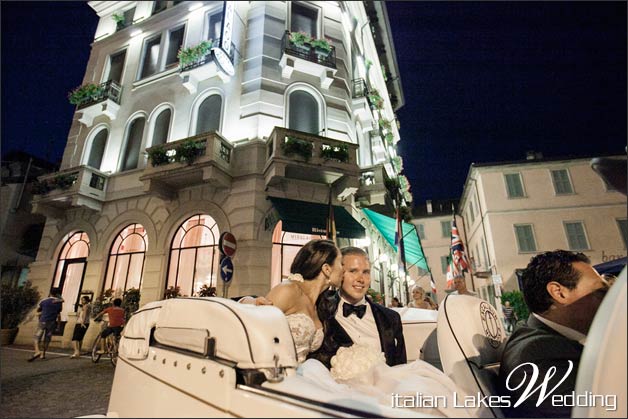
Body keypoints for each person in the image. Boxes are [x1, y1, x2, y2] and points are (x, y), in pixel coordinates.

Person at [299, 247, 471, 417]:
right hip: (340, 405)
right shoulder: (320, 310)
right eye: (353, 271)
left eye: (366, 272)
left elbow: (400, 367)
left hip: (390, 405)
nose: (361, 278)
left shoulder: (391, 318)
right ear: (339, 273)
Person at [498, 250, 609, 418]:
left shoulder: (545, 343)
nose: (608, 299)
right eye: (600, 292)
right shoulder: (536, 355)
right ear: (559, 292)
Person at [259, 239, 344, 362]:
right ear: (327, 269)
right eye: (341, 263)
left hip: (300, 374)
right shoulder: (288, 290)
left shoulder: (319, 305)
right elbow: (254, 331)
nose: (344, 270)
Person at [29, 288, 64, 361]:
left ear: (50, 293)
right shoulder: (59, 302)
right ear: (57, 294)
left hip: (43, 321)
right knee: (47, 338)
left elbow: (38, 311)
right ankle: (43, 354)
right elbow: (58, 313)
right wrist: (58, 325)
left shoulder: (44, 301)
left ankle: (37, 351)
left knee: (37, 337)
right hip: (52, 322)